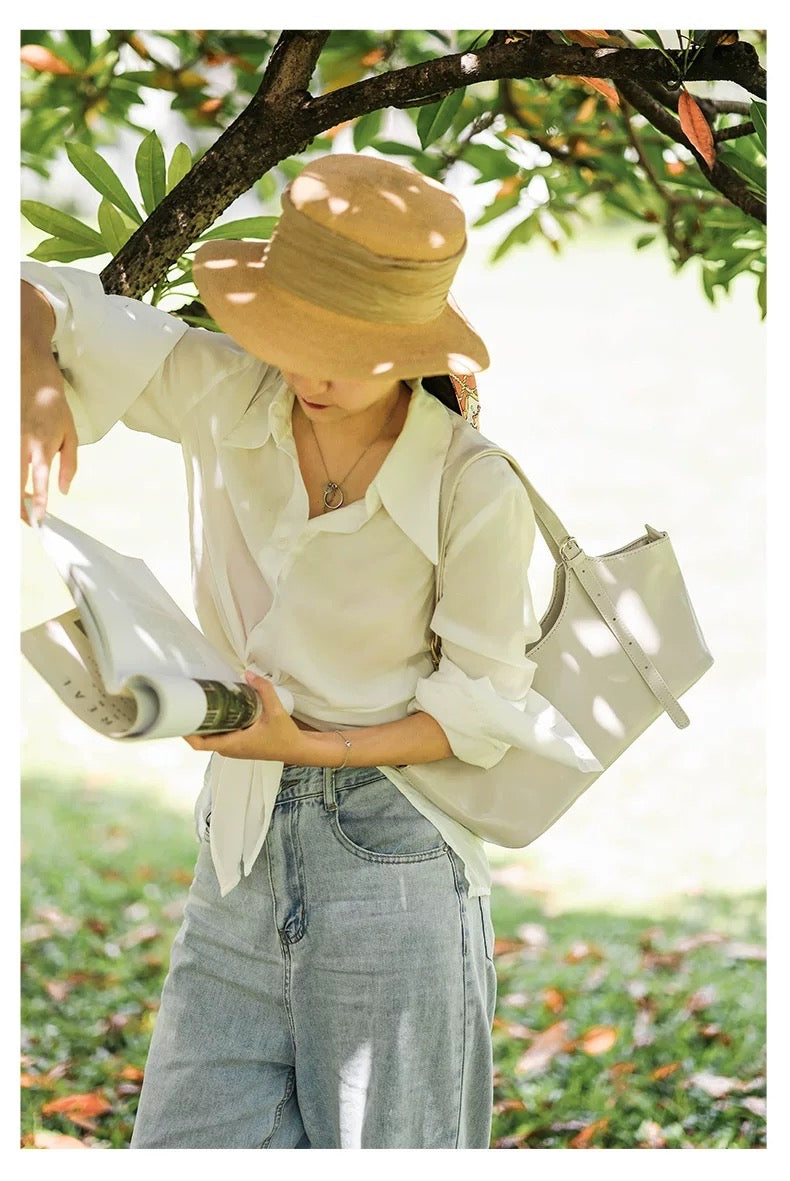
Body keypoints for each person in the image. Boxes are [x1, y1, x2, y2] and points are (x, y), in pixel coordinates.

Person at [21, 152, 595, 1149]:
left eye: (350, 347)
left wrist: (306, 745)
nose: (312, 371)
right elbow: (35, 297)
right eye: (299, 336)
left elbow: (478, 710)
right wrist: (32, 379)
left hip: (395, 860)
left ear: (411, 340)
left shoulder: (472, 484)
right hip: (235, 857)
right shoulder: (225, 391)